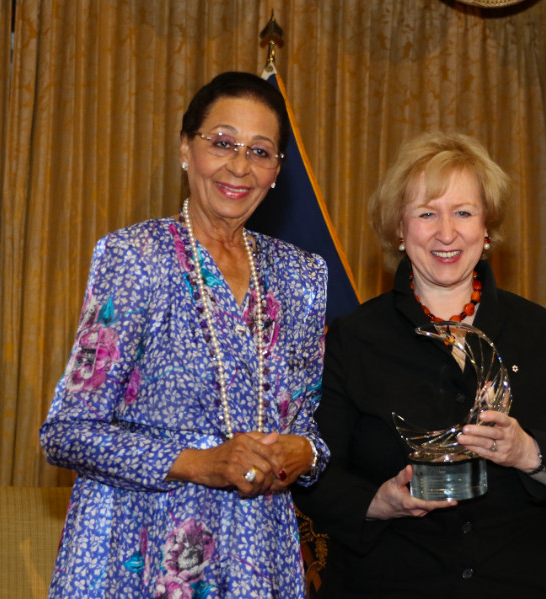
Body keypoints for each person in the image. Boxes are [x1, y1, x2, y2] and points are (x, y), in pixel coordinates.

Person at [40, 71, 329, 598]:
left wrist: (304, 454)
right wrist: (204, 464)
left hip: (257, 555)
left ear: (276, 172)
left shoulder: (302, 276)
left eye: (260, 152)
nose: (239, 166)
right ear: (185, 149)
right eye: (222, 143)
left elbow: (309, 430)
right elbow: (66, 432)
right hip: (143, 550)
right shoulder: (135, 259)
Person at [293, 132, 546, 598]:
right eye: (427, 214)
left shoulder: (540, 331)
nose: (446, 233)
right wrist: (378, 502)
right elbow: (314, 472)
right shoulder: (353, 339)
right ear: (399, 231)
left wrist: (529, 453)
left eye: (463, 212)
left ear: (487, 229)